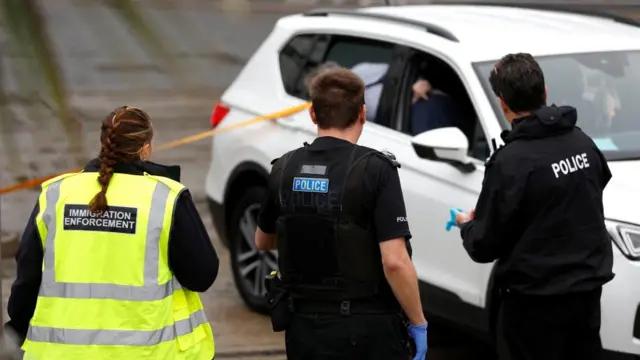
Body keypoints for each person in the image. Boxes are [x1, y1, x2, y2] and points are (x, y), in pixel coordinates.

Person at [6, 106, 219, 360]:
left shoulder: (57, 195)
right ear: (145, 148)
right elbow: (202, 275)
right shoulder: (165, 198)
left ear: (103, 143)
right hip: (148, 353)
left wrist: (18, 327)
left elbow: (27, 276)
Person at [255, 68, 427, 360]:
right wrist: (418, 323)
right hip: (366, 330)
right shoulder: (376, 169)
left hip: (303, 329)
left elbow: (263, 241)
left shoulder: (284, 168)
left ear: (312, 114)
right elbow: (395, 261)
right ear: (362, 113)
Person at [454, 53, 614, 360]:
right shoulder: (581, 143)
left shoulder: (511, 161)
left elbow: (484, 245)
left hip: (532, 304)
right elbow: (588, 192)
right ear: (544, 92)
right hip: (586, 295)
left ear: (503, 103)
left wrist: (467, 225)